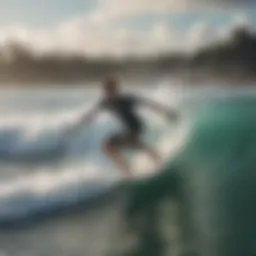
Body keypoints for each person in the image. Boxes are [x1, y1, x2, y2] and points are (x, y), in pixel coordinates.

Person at [66, 77, 178, 178]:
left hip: (136, 126)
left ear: (116, 90)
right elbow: (90, 116)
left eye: (111, 91)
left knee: (130, 143)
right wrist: (75, 127)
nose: (109, 94)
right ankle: (129, 168)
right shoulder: (105, 103)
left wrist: (166, 112)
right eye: (107, 91)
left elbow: (147, 103)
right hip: (127, 129)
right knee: (107, 147)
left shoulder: (126, 99)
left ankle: (154, 161)